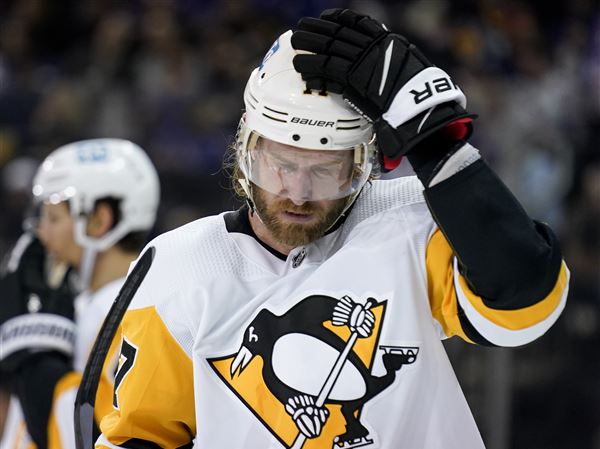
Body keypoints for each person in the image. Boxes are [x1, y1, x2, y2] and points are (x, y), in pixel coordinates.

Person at [94, 10, 568, 449]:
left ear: (363, 166)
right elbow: (140, 436)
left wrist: (438, 143)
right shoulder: (179, 265)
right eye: (280, 165)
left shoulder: (410, 220)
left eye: (325, 169)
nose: (298, 193)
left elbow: (526, 307)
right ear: (246, 150)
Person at [0, 139, 160, 449]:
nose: (41, 233)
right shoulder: (89, 304)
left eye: (53, 218)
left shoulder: (135, 311)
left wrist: (33, 355)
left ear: (100, 220)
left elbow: (92, 434)